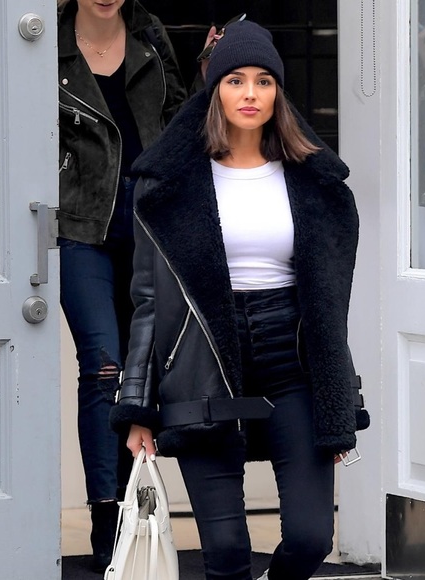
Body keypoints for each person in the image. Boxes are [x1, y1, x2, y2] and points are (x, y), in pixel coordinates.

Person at [110, 19, 362, 580]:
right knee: (224, 552)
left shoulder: (310, 180)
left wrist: (340, 395)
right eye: (236, 80)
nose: (250, 94)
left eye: (264, 81)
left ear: (278, 93)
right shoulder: (171, 184)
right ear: (214, 89)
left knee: (310, 537)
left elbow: (328, 307)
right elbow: (148, 302)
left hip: (291, 362)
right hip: (202, 364)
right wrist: (137, 407)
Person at [0, 0, 188, 572]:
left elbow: (182, 128)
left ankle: (136, 517)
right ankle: (106, 518)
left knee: (142, 374)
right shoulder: (43, 45)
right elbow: (9, 151)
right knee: (104, 367)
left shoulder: (150, 35)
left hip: (151, 228)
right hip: (81, 232)